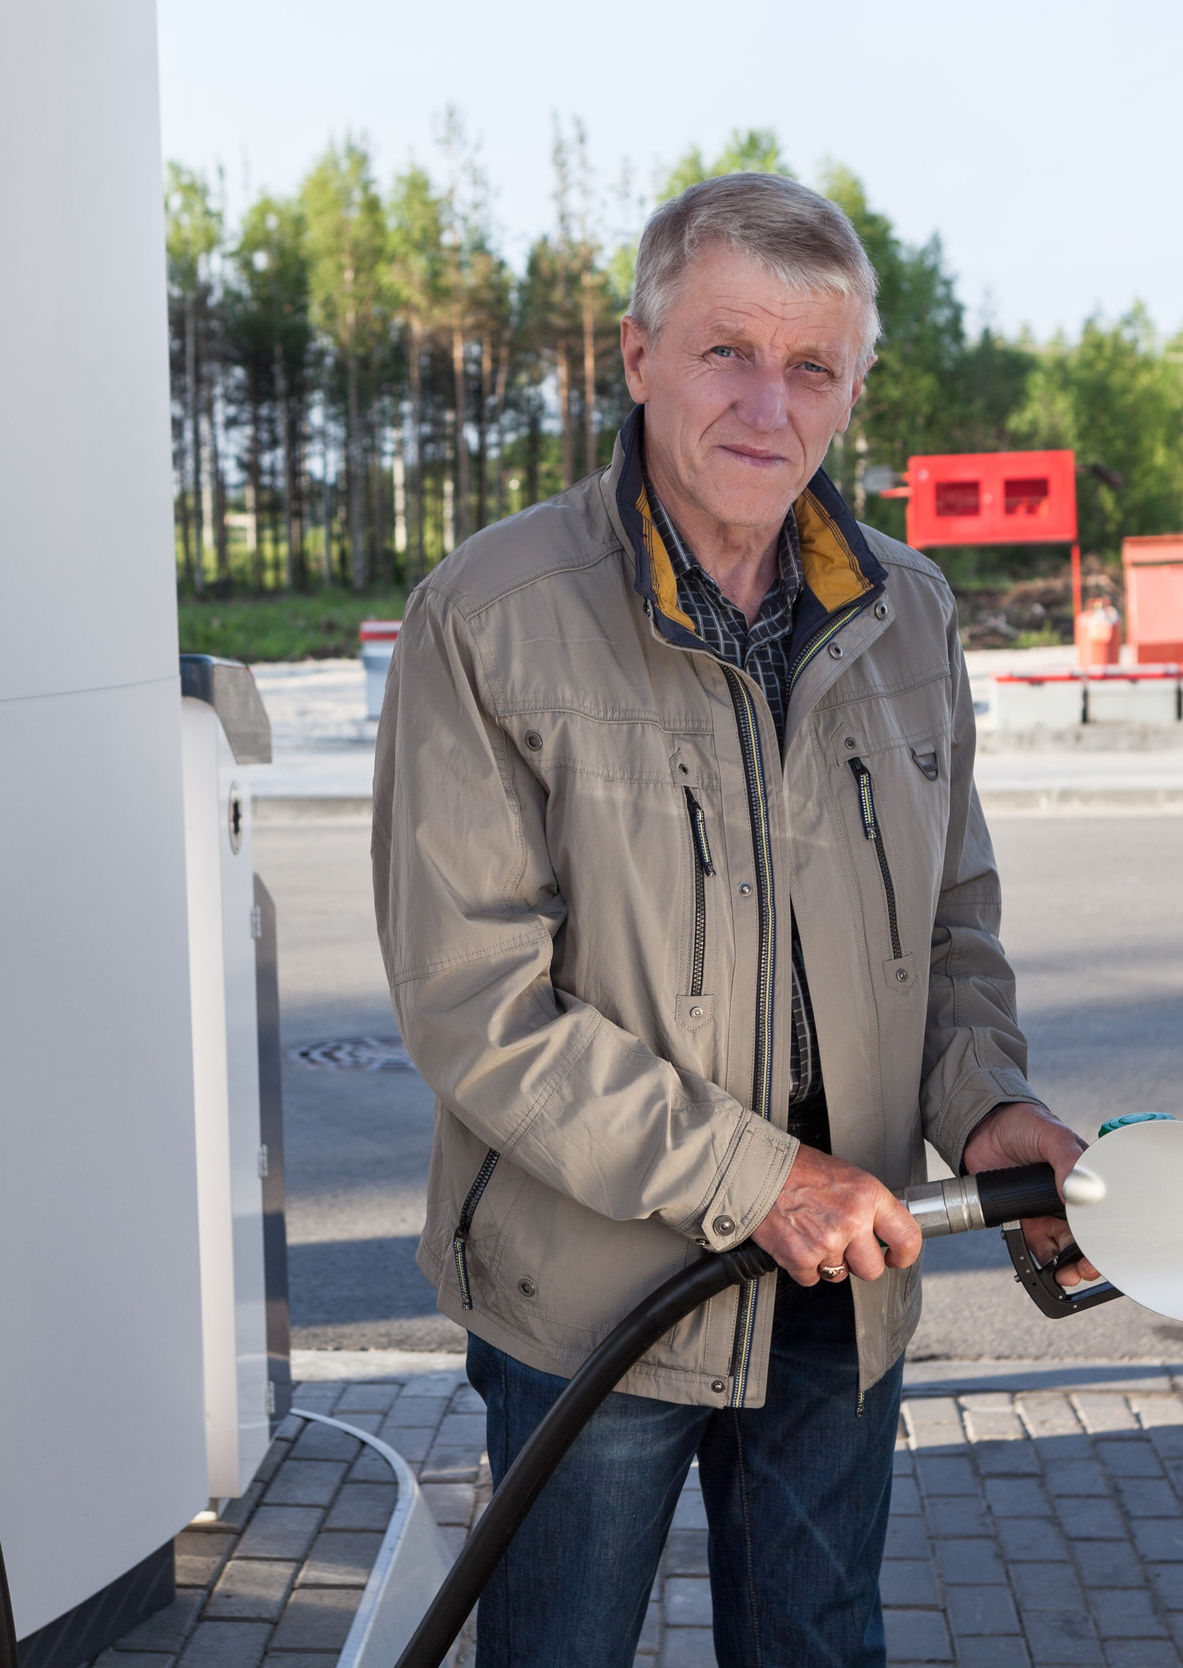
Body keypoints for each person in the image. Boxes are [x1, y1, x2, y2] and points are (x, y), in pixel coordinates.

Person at [371, 171, 1091, 1668]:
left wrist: (991, 1107)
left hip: (841, 1287)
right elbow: (477, 1008)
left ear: (851, 395)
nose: (770, 404)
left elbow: (950, 930)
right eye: (728, 352)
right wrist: (756, 1178)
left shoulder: (912, 615)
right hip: (596, 1303)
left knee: (820, 1648)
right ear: (638, 360)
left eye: (812, 366)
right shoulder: (490, 615)